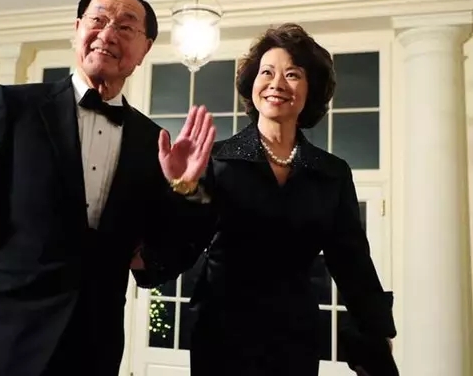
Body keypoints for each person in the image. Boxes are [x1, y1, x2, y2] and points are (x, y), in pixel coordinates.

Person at [0, 0, 216, 376]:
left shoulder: (154, 142)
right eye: (98, 20)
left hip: (92, 349)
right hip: (0, 341)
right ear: (77, 29)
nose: (108, 34)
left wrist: (185, 189)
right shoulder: (13, 107)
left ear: (144, 49)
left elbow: (156, 266)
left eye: (126, 27)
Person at [134, 23, 397, 375]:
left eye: (293, 74)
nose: (277, 83)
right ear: (252, 84)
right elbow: (181, 247)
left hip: (294, 337)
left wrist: (376, 336)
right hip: (221, 333)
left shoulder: (331, 173)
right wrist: (183, 186)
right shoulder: (216, 159)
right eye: (267, 72)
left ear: (310, 90)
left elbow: (353, 263)